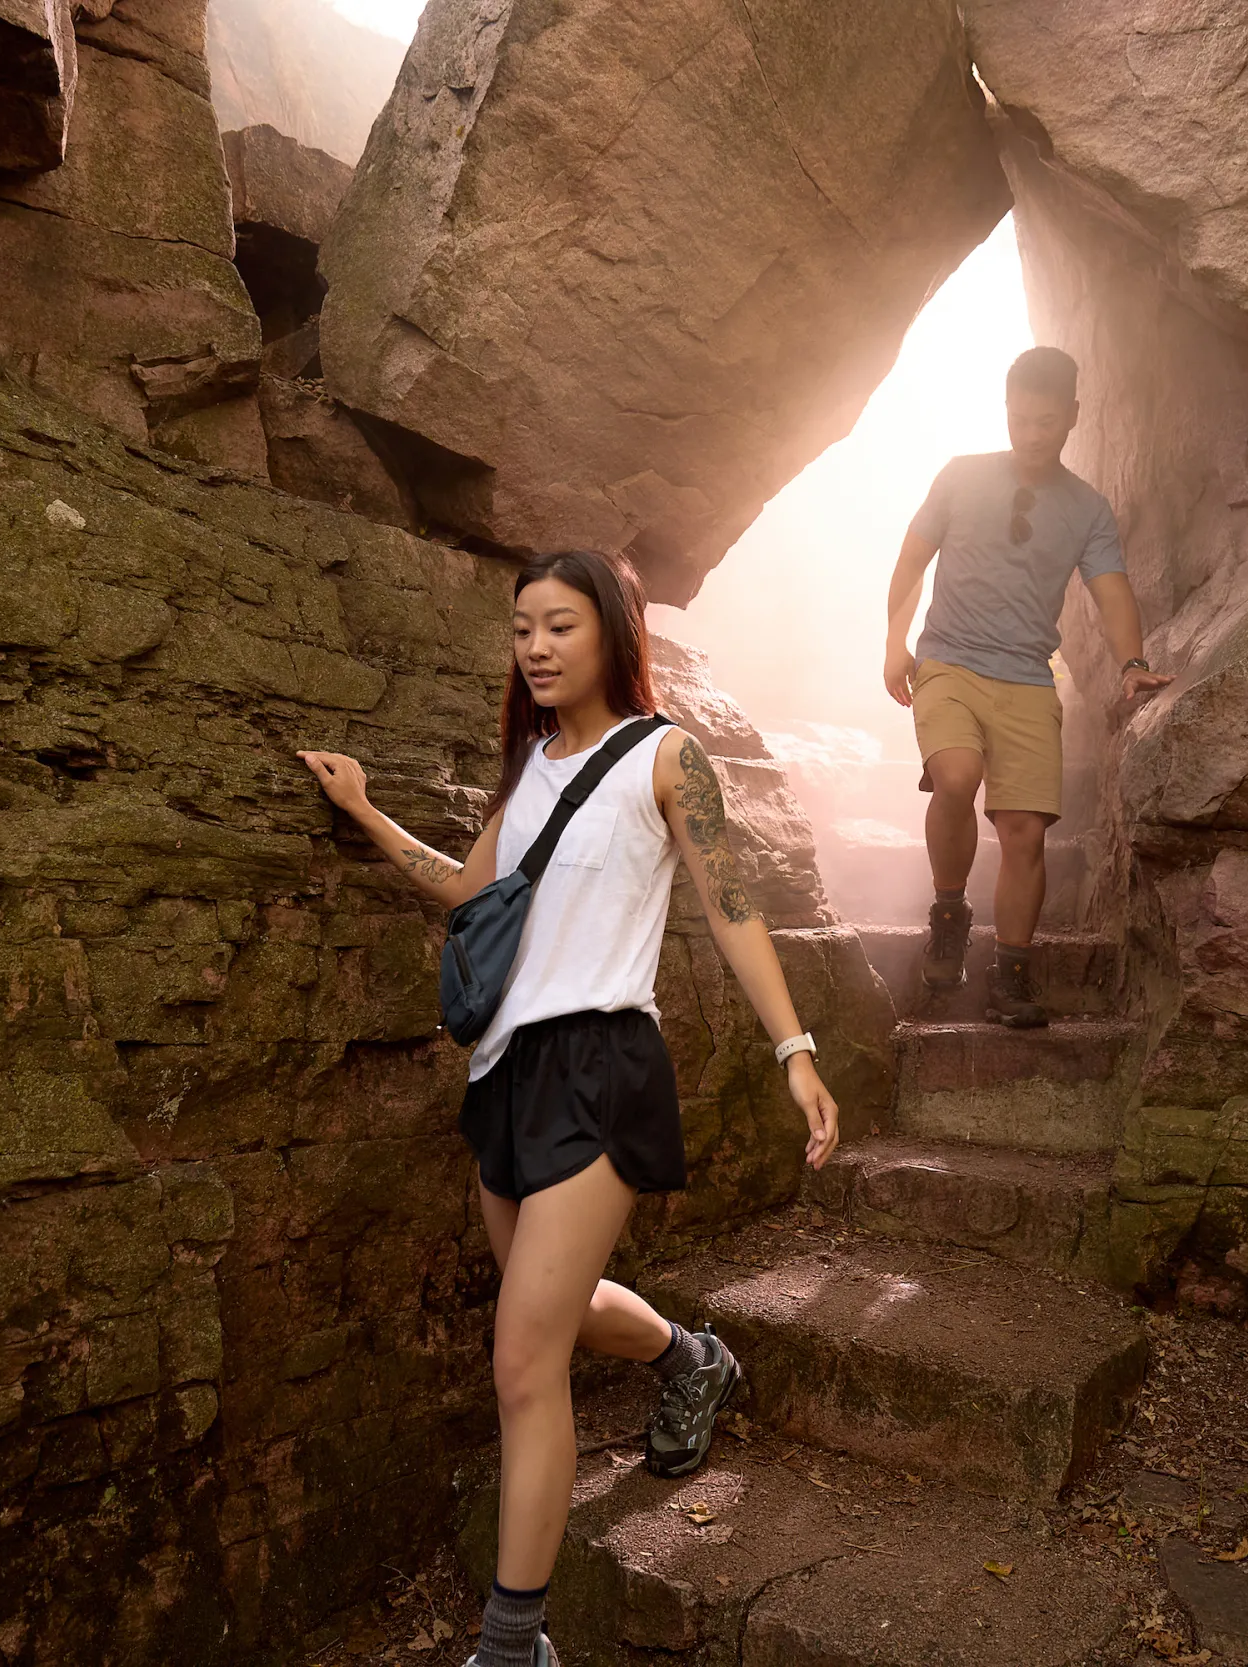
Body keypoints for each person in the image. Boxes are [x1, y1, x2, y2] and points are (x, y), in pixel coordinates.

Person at [299, 549, 841, 1667]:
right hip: (504, 1073)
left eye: (560, 625)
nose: (537, 647)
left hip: (601, 1064)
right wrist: (364, 810)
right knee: (555, 1307)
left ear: (612, 632)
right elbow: (469, 890)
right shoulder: (531, 768)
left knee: (521, 1362)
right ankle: (691, 1357)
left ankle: (513, 1647)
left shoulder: (666, 756)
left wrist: (795, 1050)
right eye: (522, 629)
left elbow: (731, 902)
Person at [882, 345, 1175, 1027]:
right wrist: (895, 643)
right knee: (956, 776)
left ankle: (1010, 975)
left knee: (1024, 833)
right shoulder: (961, 476)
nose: (1032, 434)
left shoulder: (1088, 509)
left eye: (1045, 421)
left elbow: (1111, 591)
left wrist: (1131, 663)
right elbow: (911, 558)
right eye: (1020, 420)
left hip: (1026, 679)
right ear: (1006, 410)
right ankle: (949, 916)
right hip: (949, 662)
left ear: (1072, 415)